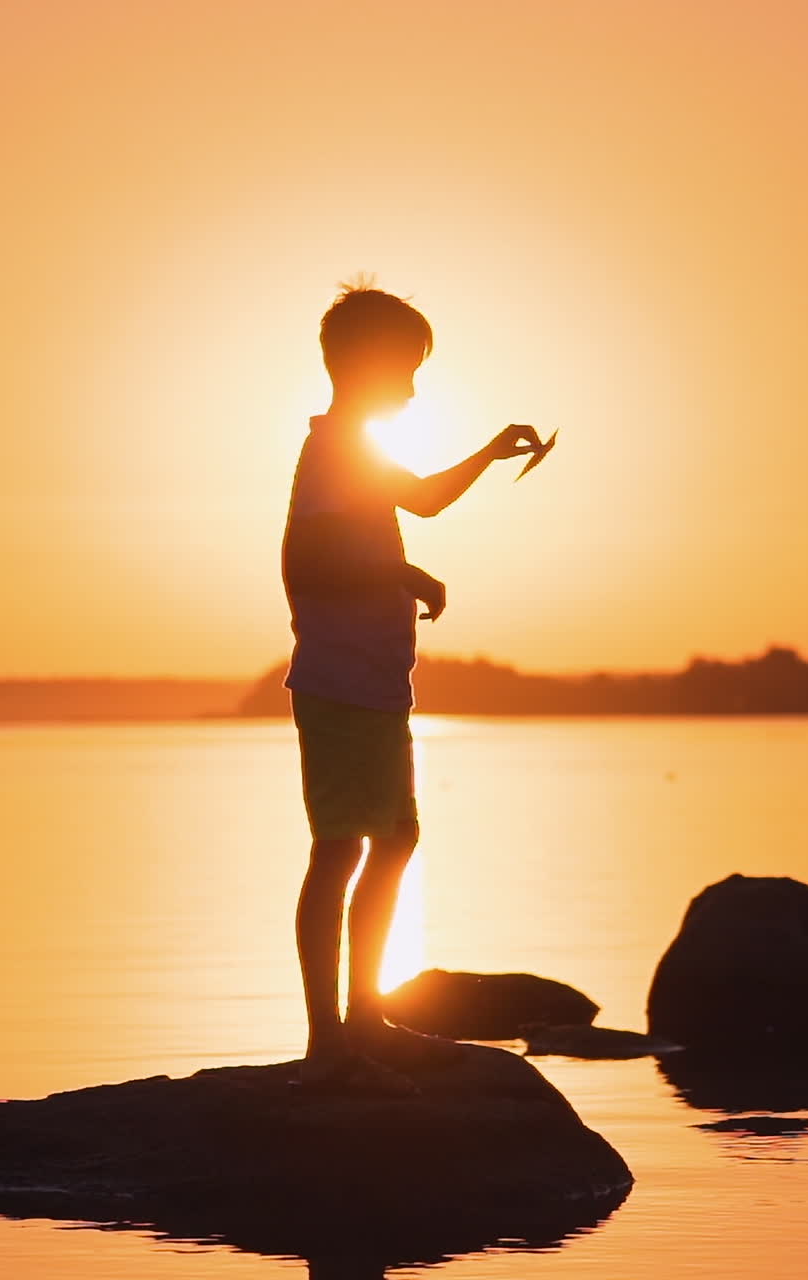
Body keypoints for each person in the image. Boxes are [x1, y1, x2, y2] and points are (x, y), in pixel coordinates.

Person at [282, 283, 549, 1090]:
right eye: (406, 365)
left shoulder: (357, 448)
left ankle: (366, 1017)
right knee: (339, 849)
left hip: (375, 685)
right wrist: (402, 570)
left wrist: (491, 449)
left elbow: (424, 500)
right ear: (364, 363)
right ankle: (328, 1037)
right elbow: (308, 562)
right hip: (338, 685)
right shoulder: (331, 454)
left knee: (395, 840)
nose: (413, 384)